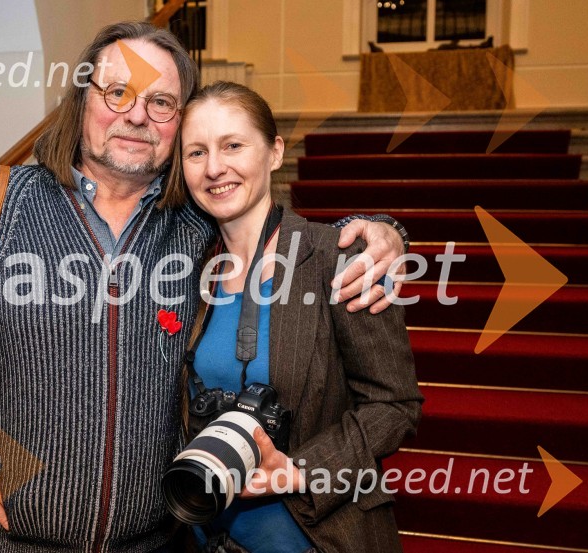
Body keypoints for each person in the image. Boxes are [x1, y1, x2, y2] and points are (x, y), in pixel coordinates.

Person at [0, 22, 409, 552]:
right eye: (117, 92)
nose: (137, 116)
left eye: (161, 103)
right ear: (83, 101)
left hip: (160, 542)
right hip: (12, 541)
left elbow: (264, 227)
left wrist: (378, 234)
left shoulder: (192, 227)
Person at [175, 81, 422, 552]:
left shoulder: (340, 260)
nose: (214, 168)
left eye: (233, 145)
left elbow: (396, 407)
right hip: (204, 532)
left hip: (314, 535)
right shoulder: (185, 269)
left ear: (274, 152)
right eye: (196, 152)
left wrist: (300, 470)